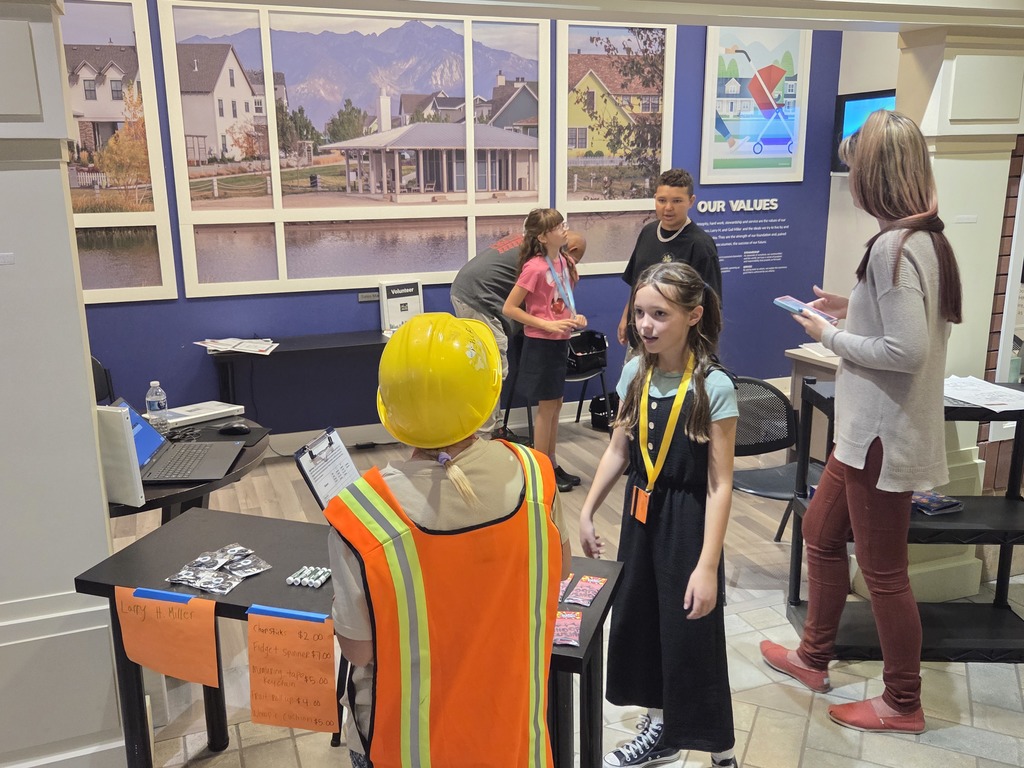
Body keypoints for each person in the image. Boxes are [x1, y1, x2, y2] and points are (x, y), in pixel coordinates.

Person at [759, 110, 963, 735]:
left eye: (855, 169)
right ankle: (813, 656)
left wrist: (830, 335)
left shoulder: (894, 249)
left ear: (874, 175)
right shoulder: (924, 240)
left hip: (877, 435)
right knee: (820, 534)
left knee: (884, 574)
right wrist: (852, 307)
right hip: (866, 433)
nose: (850, 180)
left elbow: (905, 350)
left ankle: (903, 701)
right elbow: (907, 323)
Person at [324, 312, 571, 768]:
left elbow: (358, 650)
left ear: (391, 410)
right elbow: (558, 572)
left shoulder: (360, 515)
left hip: (406, 750)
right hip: (514, 738)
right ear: (485, 399)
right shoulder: (537, 477)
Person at [579, 262, 740, 768]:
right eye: (640, 313)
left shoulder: (714, 386)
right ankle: (659, 726)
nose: (645, 325)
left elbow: (720, 483)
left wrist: (707, 565)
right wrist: (587, 511)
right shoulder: (635, 372)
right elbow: (618, 450)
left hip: (688, 520)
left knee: (692, 628)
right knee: (643, 619)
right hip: (640, 513)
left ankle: (718, 746)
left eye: (660, 315)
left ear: (694, 315)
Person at [450, 228, 587, 438]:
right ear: (573, 249)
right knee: (492, 369)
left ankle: (496, 430)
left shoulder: (536, 243)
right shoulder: (544, 257)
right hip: (477, 296)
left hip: (471, 288)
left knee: (492, 367)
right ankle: (484, 439)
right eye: (574, 261)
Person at [503, 208, 588, 493]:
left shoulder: (564, 260)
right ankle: (542, 470)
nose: (564, 230)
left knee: (556, 404)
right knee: (547, 407)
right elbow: (510, 308)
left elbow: (559, 300)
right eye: (557, 227)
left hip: (560, 339)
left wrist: (575, 317)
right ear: (542, 236)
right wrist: (546, 324)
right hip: (541, 343)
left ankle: (551, 462)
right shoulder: (535, 267)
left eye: (564, 224)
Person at [618, 168, 723, 348]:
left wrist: (699, 349)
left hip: (676, 345)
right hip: (641, 337)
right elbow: (637, 284)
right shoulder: (648, 232)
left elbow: (711, 306)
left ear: (691, 201)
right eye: (662, 200)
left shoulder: (701, 245)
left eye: (677, 201)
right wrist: (626, 318)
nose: (668, 208)